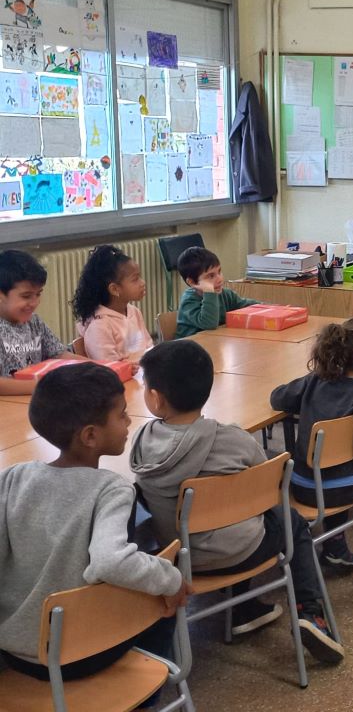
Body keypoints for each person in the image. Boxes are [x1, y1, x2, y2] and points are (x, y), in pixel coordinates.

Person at [130, 339, 344, 664]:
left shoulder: (141, 444)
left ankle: (245, 609)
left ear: (156, 399)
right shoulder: (234, 440)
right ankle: (310, 614)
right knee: (289, 521)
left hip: (177, 560)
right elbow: (265, 482)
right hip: (244, 550)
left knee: (228, 517)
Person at [0, 363, 188, 678]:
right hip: (81, 653)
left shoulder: (13, 477)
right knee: (160, 593)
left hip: (16, 653)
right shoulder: (111, 489)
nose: (129, 421)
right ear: (90, 435)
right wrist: (172, 580)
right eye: (122, 415)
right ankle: (147, 696)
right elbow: (111, 562)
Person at [270, 317, 353, 589]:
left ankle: (336, 547)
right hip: (339, 488)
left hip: (301, 486)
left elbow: (278, 398)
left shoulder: (314, 381)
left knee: (335, 470)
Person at [0, 249, 76, 396]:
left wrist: (99, 368)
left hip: (37, 400)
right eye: (26, 296)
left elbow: (59, 354)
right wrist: (42, 386)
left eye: (38, 294)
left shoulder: (34, 322)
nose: (34, 303)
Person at [72, 244, 153, 369]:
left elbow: (149, 347)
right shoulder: (100, 326)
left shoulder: (134, 312)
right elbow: (110, 368)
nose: (143, 283)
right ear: (114, 289)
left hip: (144, 373)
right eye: (135, 279)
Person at [175, 245, 259, 338]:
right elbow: (209, 324)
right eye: (211, 276)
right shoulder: (189, 301)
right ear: (192, 282)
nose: (219, 279)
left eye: (219, 271)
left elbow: (250, 306)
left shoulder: (226, 294)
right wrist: (209, 292)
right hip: (190, 345)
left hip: (215, 341)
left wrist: (268, 307)